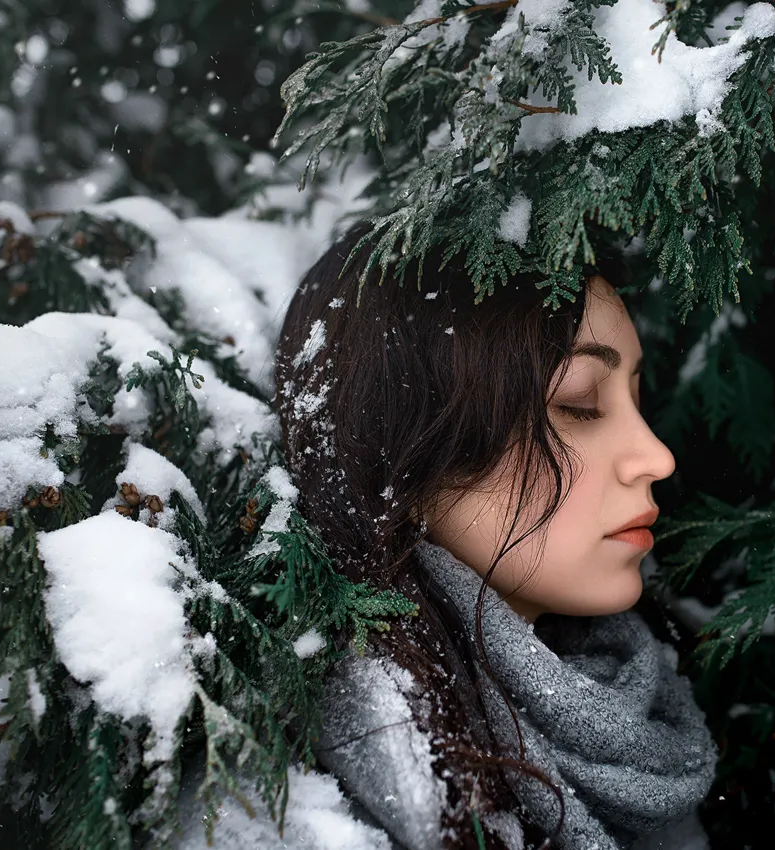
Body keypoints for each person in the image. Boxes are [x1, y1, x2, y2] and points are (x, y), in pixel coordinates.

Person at [273, 220, 718, 850]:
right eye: (581, 403)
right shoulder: (319, 800)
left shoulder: (634, 701)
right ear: (412, 449)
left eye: (636, 398)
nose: (655, 456)